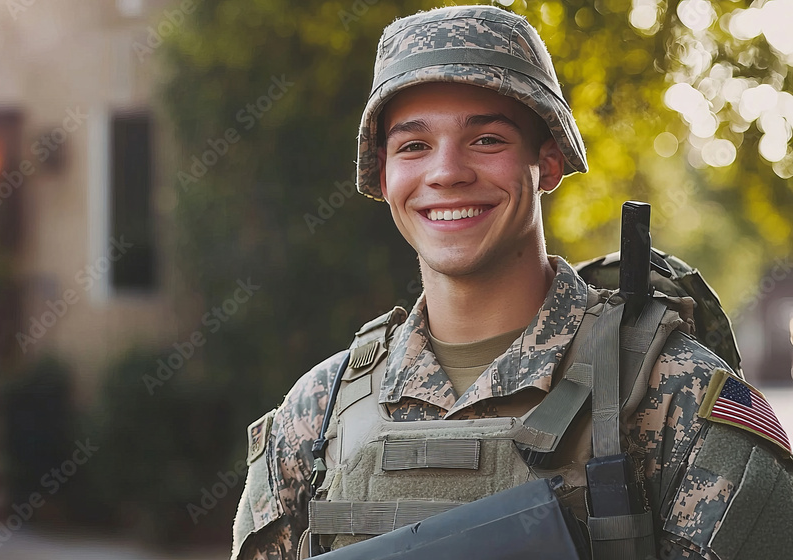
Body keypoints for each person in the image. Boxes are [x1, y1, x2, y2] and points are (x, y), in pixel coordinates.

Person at [230, 5, 793, 560]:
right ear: (383, 175)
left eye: (487, 140)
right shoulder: (315, 415)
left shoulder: (674, 394)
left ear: (547, 163)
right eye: (413, 145)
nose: (446, 171)